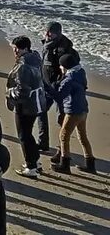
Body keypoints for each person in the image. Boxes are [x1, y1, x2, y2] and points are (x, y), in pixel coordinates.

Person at [6, 35, 45, 177]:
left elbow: (22, 90)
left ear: (24, 49)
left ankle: (31, 167)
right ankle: (35, 161)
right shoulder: (36, 58)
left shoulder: (23, 66)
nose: (15, 51)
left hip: (26, 105)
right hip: (38, 102)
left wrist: (10, 94)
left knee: (24, 135)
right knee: (28, 133)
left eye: (17, 49)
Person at [51, 52, 96, 174]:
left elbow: (60, 97)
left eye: (61, 66)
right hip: (83, 109)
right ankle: (90, 163)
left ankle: (65, 164)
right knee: (82, 136)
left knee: (63, 136)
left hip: (73, 111)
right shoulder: (80, 73)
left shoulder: (68, 80)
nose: (60, 68)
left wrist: (51, 87)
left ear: (65, 67)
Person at [38, 21, 74, 153]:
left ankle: (62, 149)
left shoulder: (63, 48)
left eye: (50, 32)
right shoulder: (47, 44)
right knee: (40, 111)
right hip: (46, 86)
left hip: (59, 88)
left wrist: (59, 83)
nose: (47, 34)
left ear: (58, 34)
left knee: (62, 119)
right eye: (46, 31)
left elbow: (66, 69)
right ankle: (43, 143)